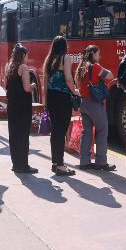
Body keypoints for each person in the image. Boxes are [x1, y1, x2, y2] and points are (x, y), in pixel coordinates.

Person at [75, 45, 116, 172]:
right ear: (93, 54)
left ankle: (85, 161)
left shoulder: (81, 67)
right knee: (103, 129)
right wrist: (104, 68)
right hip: (93, 103)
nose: (100, 56)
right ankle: (101, 162)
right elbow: (110, 75)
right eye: (98, 54)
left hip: (83, 103)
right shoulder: (94, 66)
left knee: (87, 131)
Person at [43, 36, 80, 176]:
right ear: (64, 46)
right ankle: (60, 165)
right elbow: (69, 79)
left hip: (52, 97)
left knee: (55, 132)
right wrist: (75, 91)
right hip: (62, 98)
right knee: (61, 131)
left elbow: (46, 82)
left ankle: (55, 163)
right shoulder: (66, 58)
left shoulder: (49, 59)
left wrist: (46, 101)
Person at [5, 44, 37, 174]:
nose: (28, 58)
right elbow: (26, 88)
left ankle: (15, 164)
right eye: (27, 55)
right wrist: (33, 85)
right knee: (23, 135)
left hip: (12, 104)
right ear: (23, 55)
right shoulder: (23, 68)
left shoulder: (9, 66)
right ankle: (23, 165)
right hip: (23, 105)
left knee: (13, 134)